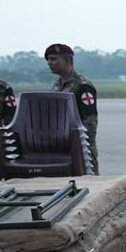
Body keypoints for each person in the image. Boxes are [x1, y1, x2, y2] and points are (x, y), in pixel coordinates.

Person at [45, 43, 98, 173]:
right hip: (60, 147)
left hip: (80, 149)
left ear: (67, 60)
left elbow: (90, 122)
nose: (49, 63)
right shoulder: (57, 86)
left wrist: (83, 147)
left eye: (53, 59)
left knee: (87, 182)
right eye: (48, 60)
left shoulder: (82, 86)